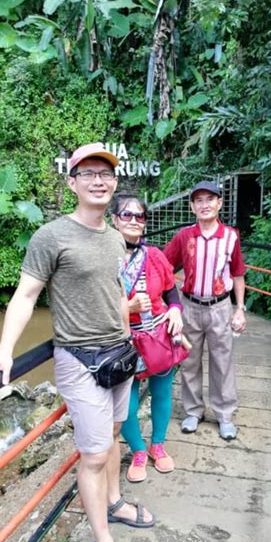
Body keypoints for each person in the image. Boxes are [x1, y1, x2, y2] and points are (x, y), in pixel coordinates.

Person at [0, 143, 154, 542]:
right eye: (88, 173)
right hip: (78, 360)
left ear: (114, 182)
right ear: (72, 182)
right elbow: (25, 296)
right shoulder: (51, 236)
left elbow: (113, 291)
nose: (98, 180)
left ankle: (114, 501)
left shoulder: (115, 236)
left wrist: (128, 319)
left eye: (105, 173)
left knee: (114, 435)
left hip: (119, 354)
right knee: (93, 454)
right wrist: (4, 352)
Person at [163, 180, 247, 440]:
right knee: (189, 360)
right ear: (192, 206)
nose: (204, 205)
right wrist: (169, 304)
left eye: (210, 199)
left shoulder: (230, 236)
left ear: (219, 203)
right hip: (189, 306)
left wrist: (239, 308)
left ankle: (224, 414)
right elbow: (165, 267)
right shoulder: (184, 236)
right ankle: (193, 411)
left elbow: (238, 274)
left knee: (222, 361)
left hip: (220, 307)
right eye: (198, 200)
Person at [111, 194, 183, 482]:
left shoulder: (154, 255)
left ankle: (158, 445)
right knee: (126, 406)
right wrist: (127, 308)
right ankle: (138, 449)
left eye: (139, 215)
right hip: (121, 341)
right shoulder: (103, 258)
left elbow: (170, 290)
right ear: (114, 219)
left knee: (162, 392)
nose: (133, 220)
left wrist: (175, 309)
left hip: (157, 336)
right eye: (126, 214)